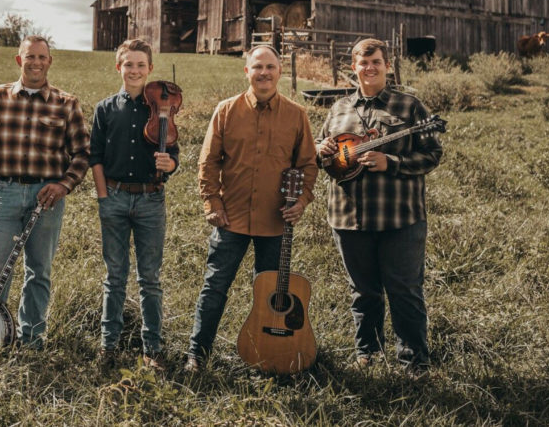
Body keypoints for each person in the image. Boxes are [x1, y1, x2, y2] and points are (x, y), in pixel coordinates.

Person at [185, 45, 318, 372]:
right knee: (215, 286)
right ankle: (196, 354)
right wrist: (212, 203)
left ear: (280, 72)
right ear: (247, 71)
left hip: (276, 224)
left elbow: (308, 165)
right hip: (230, 218)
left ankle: (267, 357)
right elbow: (208, 161)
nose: (264, 73)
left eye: (270, 67)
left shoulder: (296, 115)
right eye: (257, 67)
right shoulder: (226, 111)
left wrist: (301, 201)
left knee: (270, 296)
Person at [316, 38, 442, 375]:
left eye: (376, 62)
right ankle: (368, 354)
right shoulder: (339, 108)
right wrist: (323, 149)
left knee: (404, 290)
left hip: (399, 217)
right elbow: (319, 151)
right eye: (363, 63)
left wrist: (393, 162)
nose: (369, 68)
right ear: (353, 67)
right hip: (348, 216)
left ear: (387, 64)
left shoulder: (410, 106)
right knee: (363, 291)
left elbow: (433, 155)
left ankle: (414, 361)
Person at [0, 35, 90, 349]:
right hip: (5, 192)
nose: (36, 62)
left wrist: (64, 185)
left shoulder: (66, 103)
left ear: (49, 61)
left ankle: (32, 338)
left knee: (39, 270)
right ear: (18, 60)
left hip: (46, 197)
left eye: (42, 57)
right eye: (30, 56)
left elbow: (83, 153)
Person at [89, 39, 179, 371]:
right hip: (112, 196)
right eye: (129, 64)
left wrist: (170, 164)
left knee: (150, 278)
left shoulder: (163, 108)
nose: (135, 71)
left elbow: (175, 155)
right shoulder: (105, 108)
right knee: (114, 276)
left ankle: (152, 349)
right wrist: (103, 197)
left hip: (150, 199)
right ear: (119, 67)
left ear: (150, 69)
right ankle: (108, 347)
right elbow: (94, 156)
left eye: (141, 65)